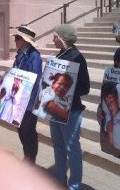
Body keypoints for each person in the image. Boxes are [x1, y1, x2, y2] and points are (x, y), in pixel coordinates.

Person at [50, 24, 90, 190]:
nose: (53, 39)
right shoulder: (61, 54)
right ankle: (60, 179)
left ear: (62, 38)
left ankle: (74, 185)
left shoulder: (77, 57)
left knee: (71, 148)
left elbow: (85, 88)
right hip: (55, 108)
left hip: (71, 111)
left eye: (55, 36)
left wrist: (67, 88)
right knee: (58, 145)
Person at [11, 25, 42, 163]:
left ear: (25, 41)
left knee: (28, 131)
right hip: (18, 98)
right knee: (21, 130)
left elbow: (33, 78)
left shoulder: (34, 56)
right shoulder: (19, 55)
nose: (15, 41)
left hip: (29, 100)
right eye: (16, 38)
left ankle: (31, 159)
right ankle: (27, 156)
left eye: (18, 38)